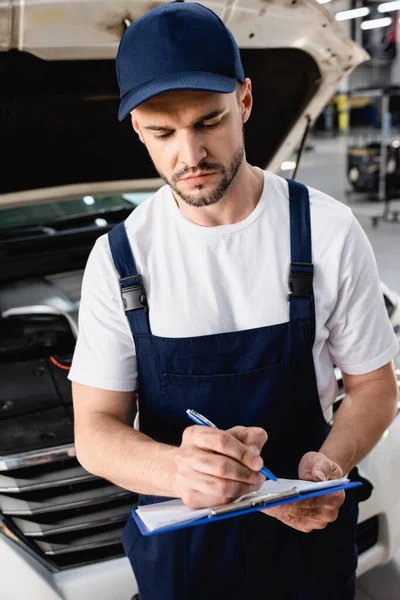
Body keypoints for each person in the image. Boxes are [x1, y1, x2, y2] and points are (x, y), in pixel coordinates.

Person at [69, 3, 399, 599]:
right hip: (183, 560)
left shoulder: (326, 231)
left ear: (245, 102)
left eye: (209, 121)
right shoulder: (119, 260)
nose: (189, 155)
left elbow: (375, 386)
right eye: (163, 133)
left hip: (310, 543)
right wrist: (180, 470)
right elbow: (94, 432)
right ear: (138, 129)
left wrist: (333, 463)